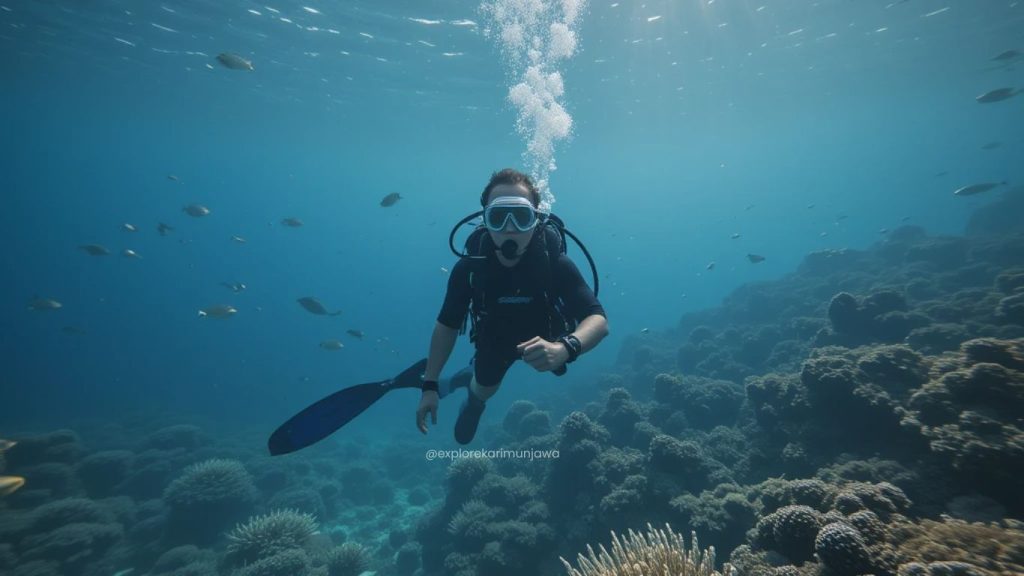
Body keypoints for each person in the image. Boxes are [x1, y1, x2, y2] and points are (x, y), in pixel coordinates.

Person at [415, 168, 609, 444]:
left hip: (551, 339)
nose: (509, 227)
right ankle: (473, 402)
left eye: (520, 217)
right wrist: (429, 385)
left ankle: (470, 384)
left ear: (535, 220)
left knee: (535, 366)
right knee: (483, 390)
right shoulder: (470, 268)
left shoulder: (555, 262)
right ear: (485, 220)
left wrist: (565, 348)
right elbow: (447, 324)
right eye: (498, 217)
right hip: (495, 343)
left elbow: (597, 319)